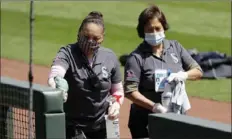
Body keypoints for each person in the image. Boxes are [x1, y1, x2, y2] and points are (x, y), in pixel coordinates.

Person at [123, 5, 203, 139]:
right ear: (143, 32)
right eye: (149, 29)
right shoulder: (136, 58)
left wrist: (183, 74)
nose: (154, 33)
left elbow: (198, 71)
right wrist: (154, 107)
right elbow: (130, 91)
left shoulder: (175, 47)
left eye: (157, 28)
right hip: (145, 120)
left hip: (176, 116)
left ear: (164, 27)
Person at [47, 11, 124, 139]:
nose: (90, 41)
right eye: (86, 36)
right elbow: (56, 73)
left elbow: (118, 90)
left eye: (95, 38)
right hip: (74, 129)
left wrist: (116, 104)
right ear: (79, 32)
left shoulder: (109, 57)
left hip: (103, 127)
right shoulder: (67, 53)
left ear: (102, 38)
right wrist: (58, 85)